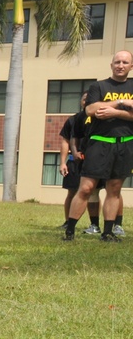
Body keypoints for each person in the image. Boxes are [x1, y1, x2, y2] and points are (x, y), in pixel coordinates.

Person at [63, 50, 133, 241]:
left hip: (125, 144)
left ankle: (108, 232)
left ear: (131, 66)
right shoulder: (99, 86)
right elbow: (91, 110)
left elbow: (105, 111)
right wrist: (121, 102)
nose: (120, 65)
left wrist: (114, 113)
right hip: (99, 144)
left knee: (114, 189)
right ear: (111, 65)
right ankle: (69, 231)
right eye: (117, 62)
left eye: (125, 62)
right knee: (86, 188)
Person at [59, 92, 105, 232]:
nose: (86, 101)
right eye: (84, 99)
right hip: (75, 161)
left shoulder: (102, 118)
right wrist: (63, 162)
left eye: (89, 99)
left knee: (93, 192)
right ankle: (68, 222)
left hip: (96, 160)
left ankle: (95, 225)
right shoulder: (74, 119)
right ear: (81, 102)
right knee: (72, 192)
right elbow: (67, 141)